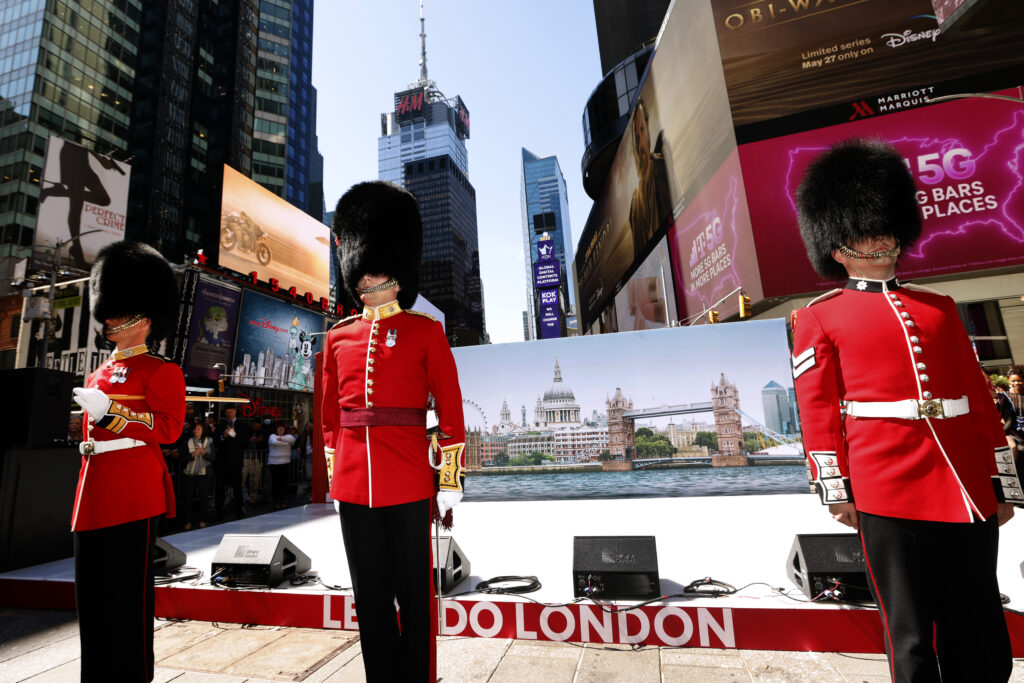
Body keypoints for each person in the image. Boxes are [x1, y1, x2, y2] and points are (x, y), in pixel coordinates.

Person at [791, 139, 1021, 682]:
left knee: (979, 621)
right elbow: (819, 411)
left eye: (884, 227)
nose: (880, 239)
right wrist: (836, 488)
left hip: (964, 483)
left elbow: (979, 404)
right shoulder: (820, 317)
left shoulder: (940, 307)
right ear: (839, 247)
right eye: (865, 231)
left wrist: (1002, 480)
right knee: (911, 633)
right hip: (885, 486)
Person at [321, 181, 466, 682]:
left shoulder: (425, 332)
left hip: (407, 479)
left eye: (382, 269)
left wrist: (449, 481)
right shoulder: (337, 338)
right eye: (365, 269)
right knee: (371, 598)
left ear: (399, 273)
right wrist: (334, 474)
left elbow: (450, 410)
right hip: (354, 486)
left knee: (415, 596)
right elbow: (329, 420)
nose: (372, 277)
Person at [70, 240, 184, 681]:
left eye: (121, 312)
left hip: (134, 494)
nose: (112, 319)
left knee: (128, 601)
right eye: (110, 312)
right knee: (92, 600)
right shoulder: (97, 373)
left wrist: (114, 415)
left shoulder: (161, 371)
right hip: (93, 490)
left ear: (146, 320)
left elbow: (168, 429)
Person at [214, 406, 250, 519]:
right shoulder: (220, 425)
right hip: (222, 462)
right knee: (219, 487)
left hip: (235, 462)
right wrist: (223, 436)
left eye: (231, 411)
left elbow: (245, 443)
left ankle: (238, 510)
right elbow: (215, 441)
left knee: (237, 487)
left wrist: (233, 434)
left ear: (235, 412)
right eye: (227, 411)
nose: (229, 413)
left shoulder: (242, 425)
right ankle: (218, 512)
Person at [181, 422, 214, 529]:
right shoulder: (187, 441)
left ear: (203, 430)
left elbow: (213, 458)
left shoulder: (209, 441)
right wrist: (193, 454)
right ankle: (187, 522)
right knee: (187, 498)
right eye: (195, 429)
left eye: (199, 429)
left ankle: (202, 520)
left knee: (204, 498)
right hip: (189, 473)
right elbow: (182, 459)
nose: (196, 431)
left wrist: (204, 453)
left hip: (204, 473)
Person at [267, 422, 295, 510]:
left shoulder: (289, 436)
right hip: (274, 464)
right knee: (276, 483)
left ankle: (282, 501)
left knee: (283, 483)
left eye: (282, 428)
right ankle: (276, 501)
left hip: (285, 463)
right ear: (276, 429)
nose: (280, 429)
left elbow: (292, 441)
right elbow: (274, 442)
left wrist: (281, 439)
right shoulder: (272, 436)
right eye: (279, 428)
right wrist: (286, 443)